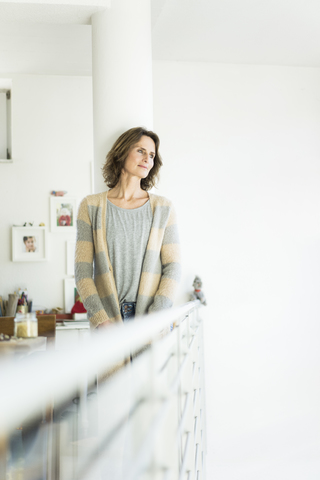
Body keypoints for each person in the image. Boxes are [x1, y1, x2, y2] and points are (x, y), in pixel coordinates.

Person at [75, 127, 181, 330]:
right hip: (109, 321)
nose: (147, 159)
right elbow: (82, 271)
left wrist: (157, 314)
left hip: (150, 320)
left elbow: (173, 267)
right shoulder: (90, 206)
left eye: (151, 155)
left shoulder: (164, 208)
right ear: (122, 152)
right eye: (140, 151)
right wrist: (100, 318)